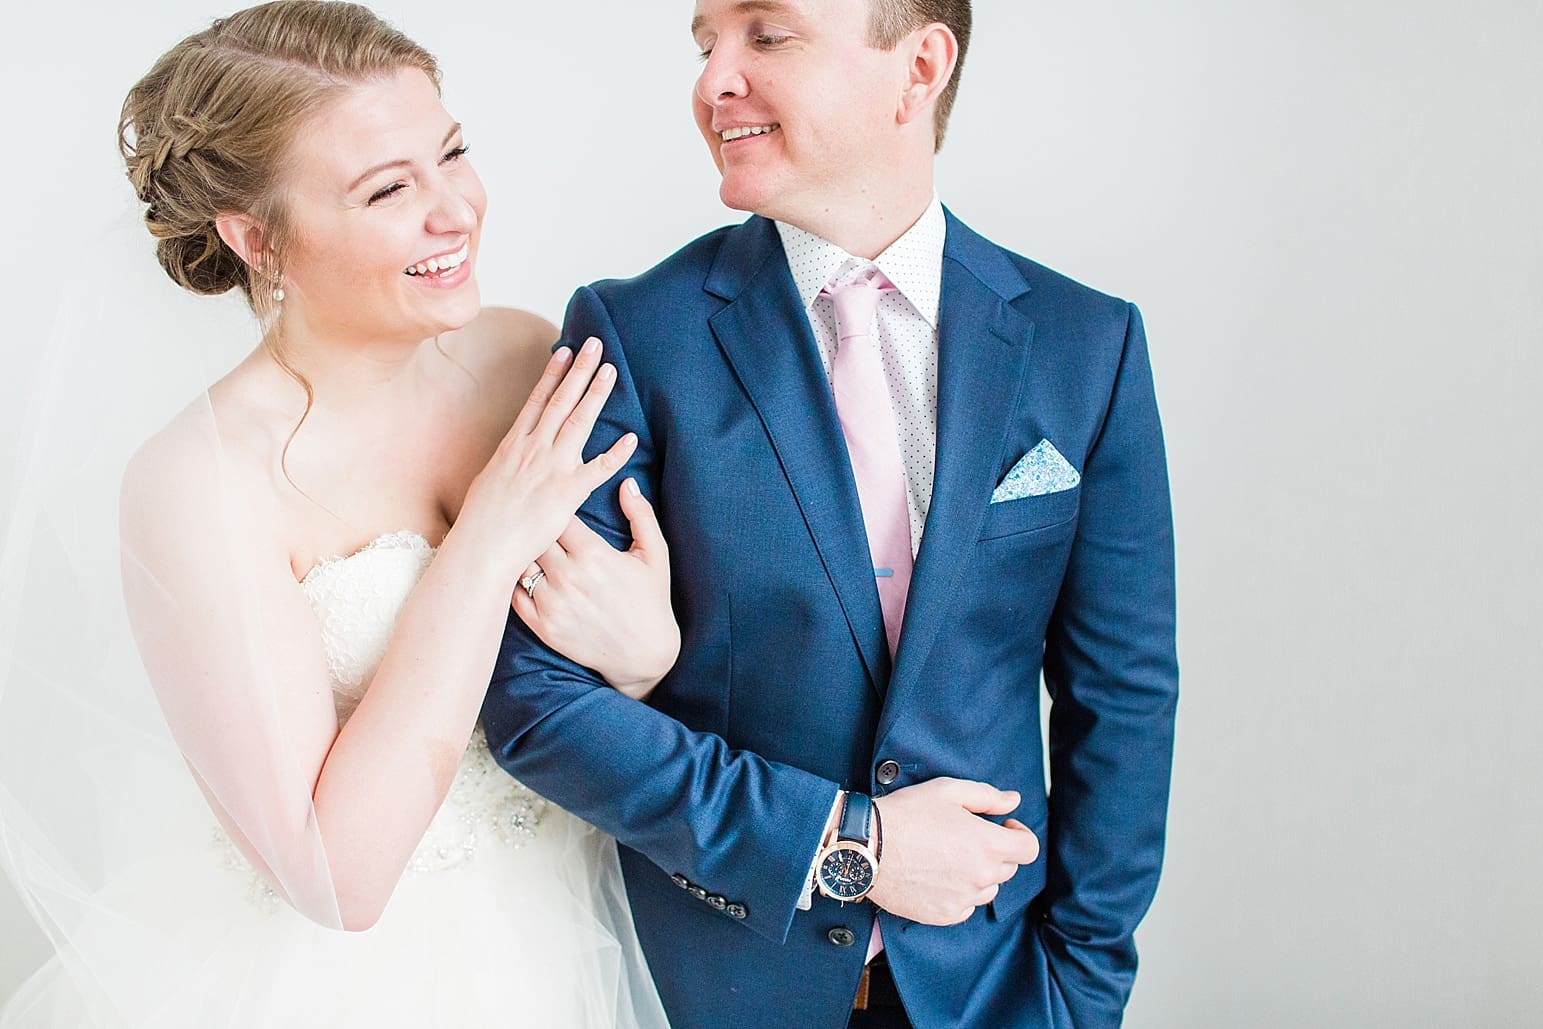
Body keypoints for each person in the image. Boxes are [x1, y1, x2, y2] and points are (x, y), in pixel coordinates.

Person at [483, 1, 1179, 1026]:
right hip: (716, 989)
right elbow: (535, 704)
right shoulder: (637, 335)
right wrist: (847, 845)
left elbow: (1122, 699)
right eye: (704, 42)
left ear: (919, 64)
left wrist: (1080, 987)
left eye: (766, 35)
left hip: (996, 992)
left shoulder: (1087, 344)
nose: (714, 79)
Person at [0, 2, 670, 1025]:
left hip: (587, 926)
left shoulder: (522, 356)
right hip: (349, 983)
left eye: (452, 154)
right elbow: (333, 879)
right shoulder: (198, 483)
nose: (454, 210)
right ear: (257, 237)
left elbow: (612, 683)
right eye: (389, 189)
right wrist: (483, 542)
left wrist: (645, 658)